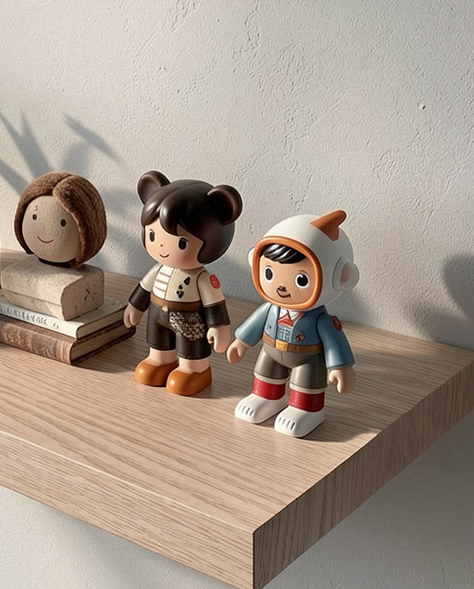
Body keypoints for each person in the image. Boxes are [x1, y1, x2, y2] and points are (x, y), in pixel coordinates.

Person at [227, 210, 359, 438]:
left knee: (306, 384)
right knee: (265, 374)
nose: (281, 287)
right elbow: (254, 325)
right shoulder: (270, 309)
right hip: (270, 352)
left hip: (307, 359)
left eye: (301, 279)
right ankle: (265, 397)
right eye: (269, 273)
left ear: (341, 277)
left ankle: (306, 410)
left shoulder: (321, 319)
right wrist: (241, 342)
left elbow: (334, 342)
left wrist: (340, 367)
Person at [124, 171, 242, 396]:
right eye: (152, 236)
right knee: (158, 344)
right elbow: (144, 288)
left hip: (189, 318)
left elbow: (214, 304)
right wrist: (135, 306)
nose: (161, 247)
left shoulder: (203, 278)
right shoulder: (158, 269)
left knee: (191, 347)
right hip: (157, 314)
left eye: (181, 243)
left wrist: (219, 327)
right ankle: (160, 360)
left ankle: (195, 370)